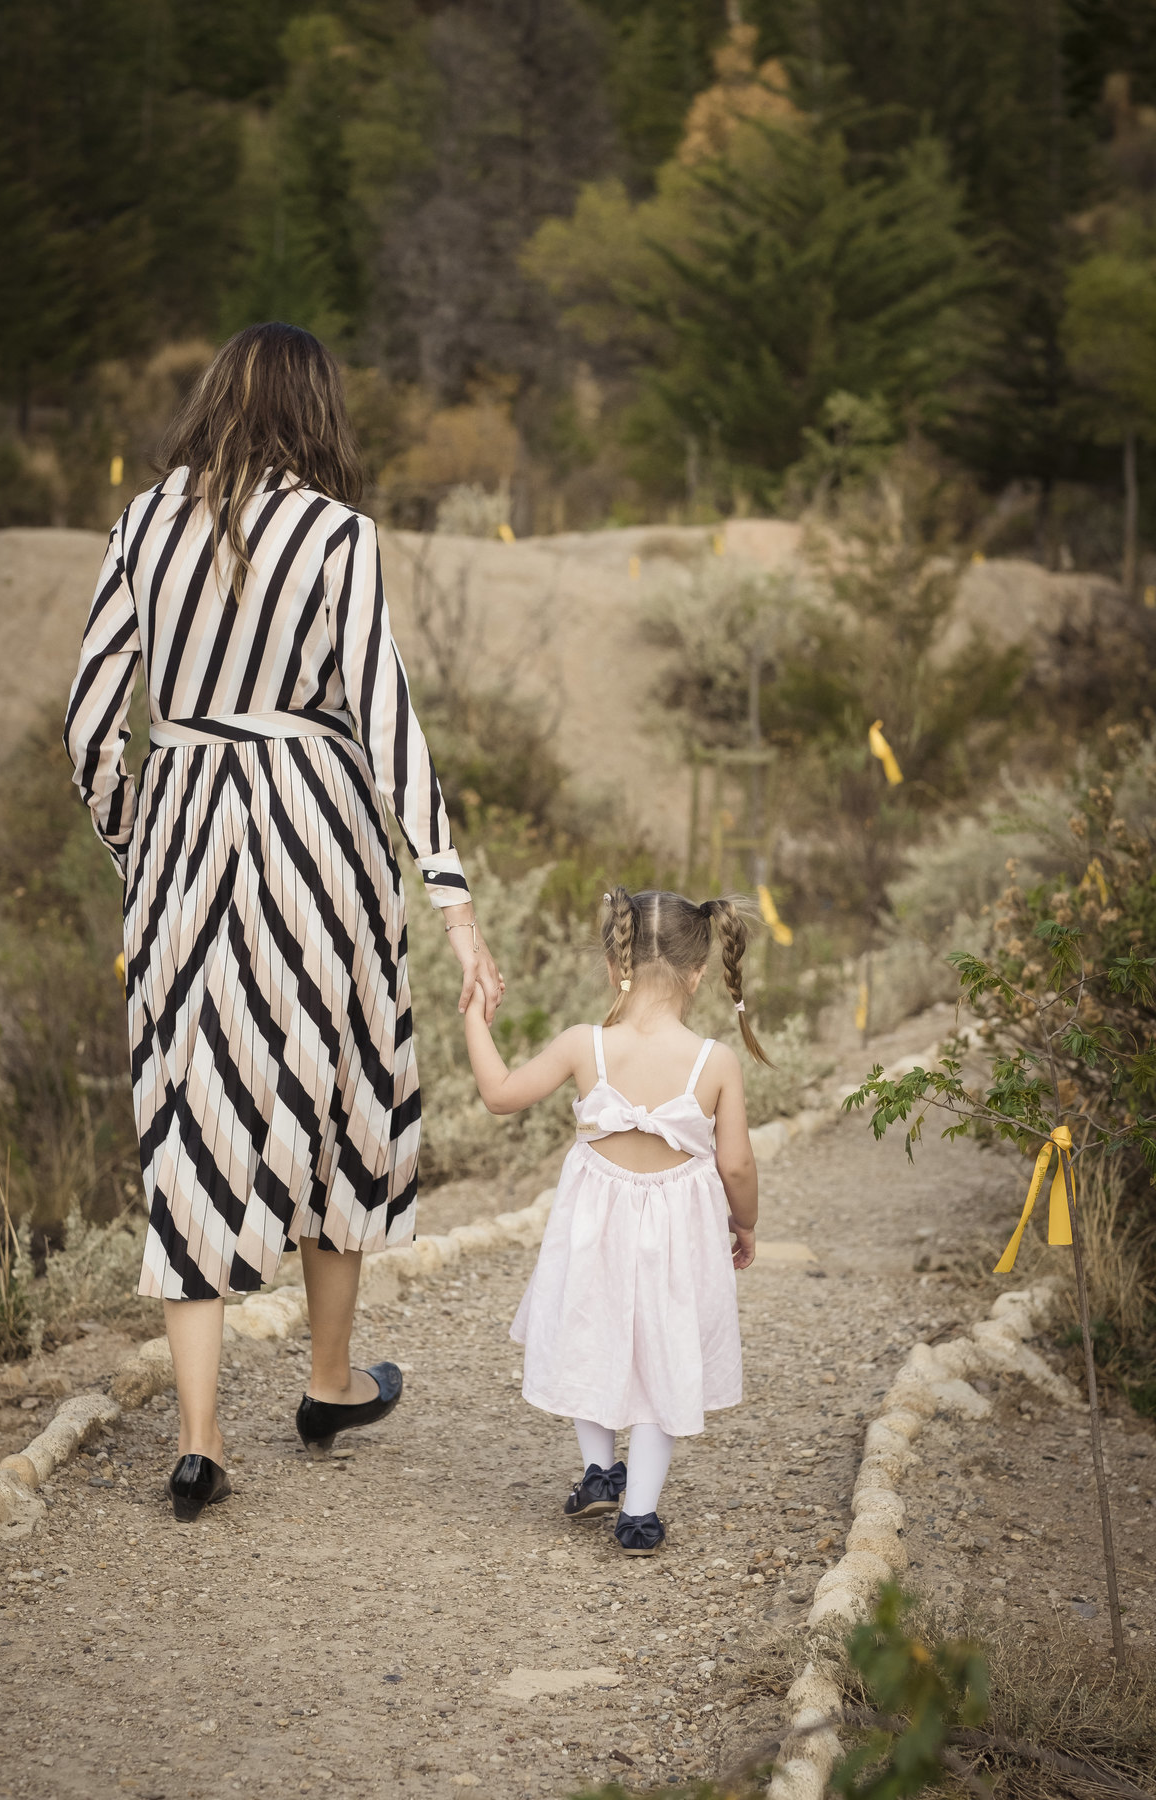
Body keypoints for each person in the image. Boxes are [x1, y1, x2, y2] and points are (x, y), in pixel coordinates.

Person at [64, 322, 503, 1522]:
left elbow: (92, 718)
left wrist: (136, 841)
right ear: (315, 409)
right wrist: (451, 897)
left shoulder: (141, 523)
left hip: (186, 826)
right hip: (318, 829)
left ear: (216, 400)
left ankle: (200, 1441)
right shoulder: (337, 534)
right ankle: (326, 1380)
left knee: (189, 1112)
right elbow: (385, 710)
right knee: (339, 1077)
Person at [462, 885, 762, 1555]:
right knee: (664, 1351)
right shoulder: (716, 1061)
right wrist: (744, 1224)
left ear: (612, 964)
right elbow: (736, 1165)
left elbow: (499, 1093)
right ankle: (639, 1514)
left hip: (593, 1225)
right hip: (678, 1236)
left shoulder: (583, 1045)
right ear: (699, 973)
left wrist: (476, 1018)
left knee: (589, 1331)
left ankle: (600, 1470)